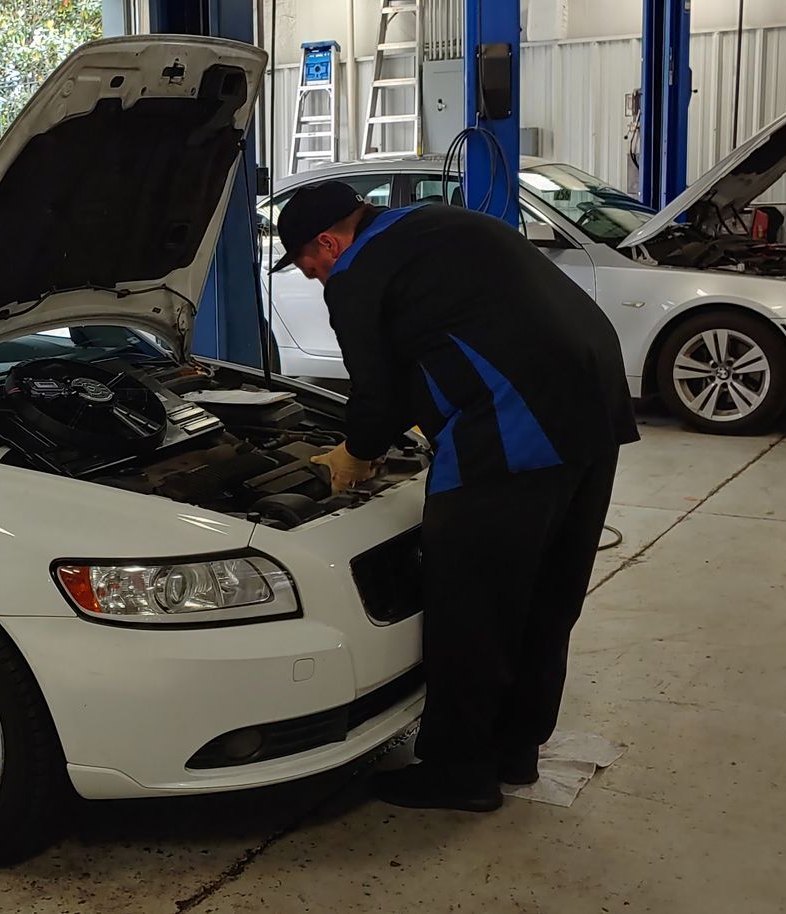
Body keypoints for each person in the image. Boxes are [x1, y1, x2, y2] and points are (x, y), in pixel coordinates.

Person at [273, 180, 639, 811]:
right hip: (593, 418)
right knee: (547, 597)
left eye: (308, 263)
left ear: (330, 241)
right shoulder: (439, 224)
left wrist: (355, 455)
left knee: (472, 609)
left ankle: (460, 773)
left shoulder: (358, 272)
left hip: (513, 431)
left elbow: (377, 392)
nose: (310, 277)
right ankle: (515, 750)